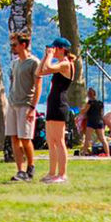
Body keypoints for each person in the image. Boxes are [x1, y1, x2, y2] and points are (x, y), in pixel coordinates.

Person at [38, 38, 80, 184]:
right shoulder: (59, 64)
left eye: (55, 48)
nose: (53, 51)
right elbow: (40, 71)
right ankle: (51, 173)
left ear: (62, 49)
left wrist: (49, 56)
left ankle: (62, 174)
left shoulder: (65, 64)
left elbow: (49, 66)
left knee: (59, 141)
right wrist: (45, 56)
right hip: (52, 103)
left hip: (59, 105)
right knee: (51, 141)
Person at [6, 33, 41, 182]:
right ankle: (20, 170)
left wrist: (33, 107)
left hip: (26, 105)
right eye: (11, 45)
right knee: (14, 138)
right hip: (13, 104)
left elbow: (38, 85)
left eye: (14, 45)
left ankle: (30, 167)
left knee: (25, 138)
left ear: (23, 45)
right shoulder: (14, 63)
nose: (12, 48)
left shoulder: (34, 63)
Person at [78, 88, 107, 157]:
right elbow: (101, 113)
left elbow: (84, 111)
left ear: (89, 94)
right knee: (103, 139)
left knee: (87, 139)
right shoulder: (100, 103)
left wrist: (80, 109)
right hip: (99, 121)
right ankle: (107, 153)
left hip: (91, 122)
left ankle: (84, 153)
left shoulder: (90, 102)